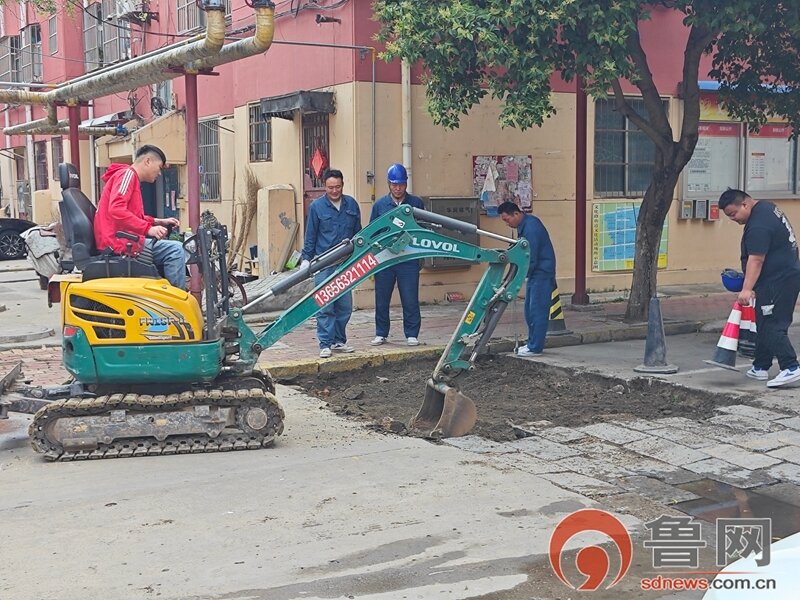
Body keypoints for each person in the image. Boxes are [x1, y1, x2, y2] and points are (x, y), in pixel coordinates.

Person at [719, 189, 800, 387]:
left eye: (733, 214)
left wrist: (746, 289)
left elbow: (756, 259)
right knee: (763, 320)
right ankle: (761, 366)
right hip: (781, 276)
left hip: (778, 280)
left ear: (745, 205)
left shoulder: (758, 225)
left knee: (772, 324)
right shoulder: (766, 207)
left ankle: (791, 367)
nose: (733, 219)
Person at [93, 145, 185, 289]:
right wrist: (148, 229)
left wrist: (157, 221)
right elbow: (116, 209)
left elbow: (131, 215)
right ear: (147, 161)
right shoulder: (127, 175)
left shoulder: (129, 177)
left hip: (122, 240)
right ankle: (176, 303)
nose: (159, 173)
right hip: (119, 244)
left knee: (172, 248)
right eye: (159, 167)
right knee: (175, 250)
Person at [301, 169, 362, 358]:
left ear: (342, 185)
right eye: (330, 188)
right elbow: (310, 235)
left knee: (344, 304)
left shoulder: (351, 204)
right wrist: (306, 259)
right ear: (324, 187)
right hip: (323, 263)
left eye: (337, 187)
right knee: (325, 305)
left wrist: (359, 257)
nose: (334, 191)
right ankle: (325, 343)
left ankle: (338, 341)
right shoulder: (316, 207)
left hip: (345, 263)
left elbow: (358, 234)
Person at [369, 164, 425, 346]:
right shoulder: (379, 205)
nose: (398, 188)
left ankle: (411, 333)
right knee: (382, 297)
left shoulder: (416, 203)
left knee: (410, 297)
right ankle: (381, 332)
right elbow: (373, 231)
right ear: (388, 184)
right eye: (394, 184)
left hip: (408, 258)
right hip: (385, 258)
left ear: (406, 184)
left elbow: (422, 228)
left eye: (401, 184)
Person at [497, 201, 556, 357]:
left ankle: (536, 347)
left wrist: (519, 276)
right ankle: (532, 343)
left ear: (516, 214)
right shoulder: (525, 225)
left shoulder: (531, 228)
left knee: (537, 310)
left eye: (507, 219)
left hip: (541, 273)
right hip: (535, 273)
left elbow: (531, 256)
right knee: (529, 310)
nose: (507, 223)